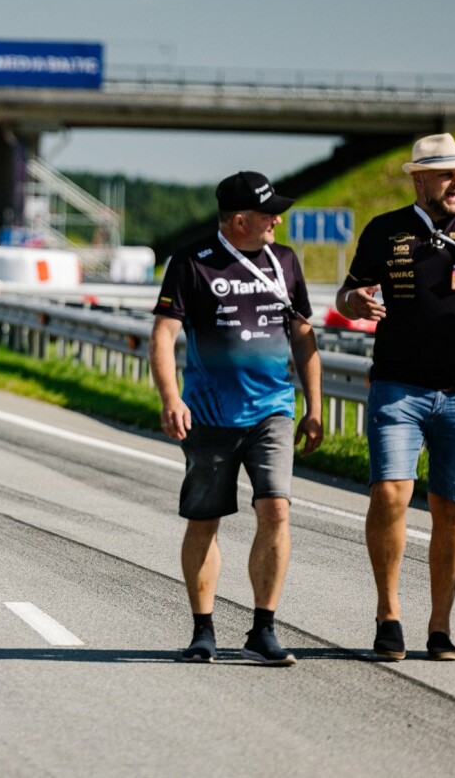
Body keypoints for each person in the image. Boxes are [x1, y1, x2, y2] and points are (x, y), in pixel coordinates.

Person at [335, 133, 455, 662]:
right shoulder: (385, 231)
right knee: (391, 495)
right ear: (419, 179)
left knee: (451, 508)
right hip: (399, 387)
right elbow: (347, 296)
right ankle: (389, 615)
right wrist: (355, 302)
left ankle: (440, 628)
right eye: (446, 174)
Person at [149, 171, 323, 665]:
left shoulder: (283, 260)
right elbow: (163, 335)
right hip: (208, 415)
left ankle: (263, 629)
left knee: (276, 509)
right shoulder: (191, 261)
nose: (278, 220)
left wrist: (314, 406)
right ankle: (203, 630)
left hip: (273, 410)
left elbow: (303, 335)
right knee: (205, 520)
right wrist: (170, 398)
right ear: (240, 220)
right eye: (270, 213)